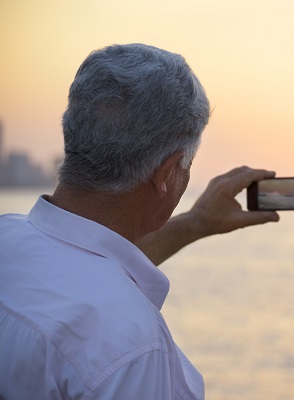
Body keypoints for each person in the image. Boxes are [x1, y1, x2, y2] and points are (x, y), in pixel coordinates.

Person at [0, 43, 279, 399]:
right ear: (165, 174)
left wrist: (196, 222)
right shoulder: (129, 345)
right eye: (186, 166)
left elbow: (85, 263)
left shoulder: (7, 238)